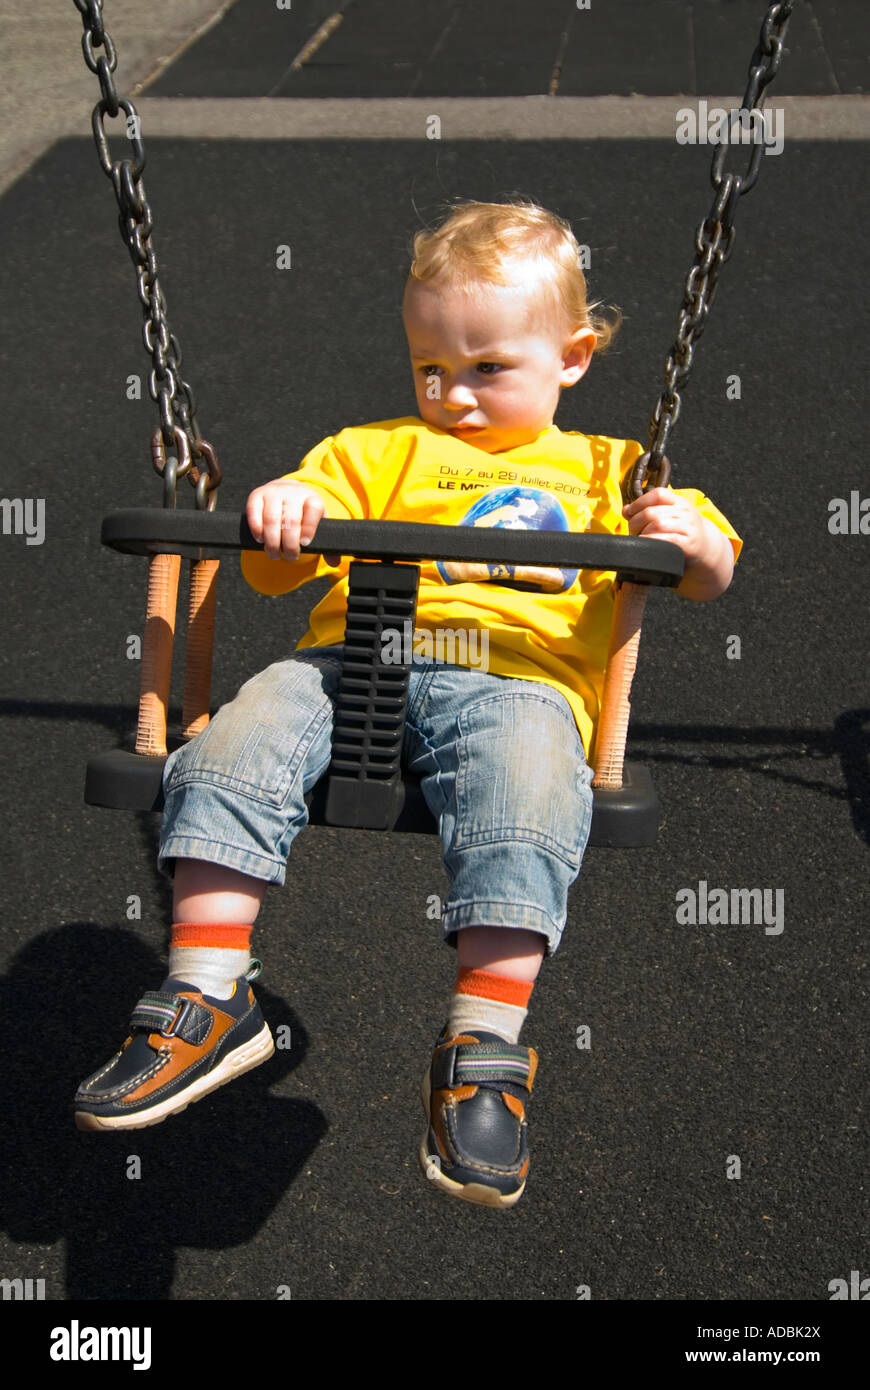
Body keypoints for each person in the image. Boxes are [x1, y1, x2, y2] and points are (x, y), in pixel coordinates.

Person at [74, 200, 741, 1208]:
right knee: (227, 747)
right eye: (431, 369)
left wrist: (691, 536)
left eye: (486, 368)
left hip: (517, 684)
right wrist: (284, 514)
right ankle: (208, 997)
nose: (455, 395)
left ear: (573, 356)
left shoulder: (613, 471)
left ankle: (484, 1049)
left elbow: (708, 571)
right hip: (355, 659)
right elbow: (268, 568)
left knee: (527, 801)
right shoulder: (373, 451)